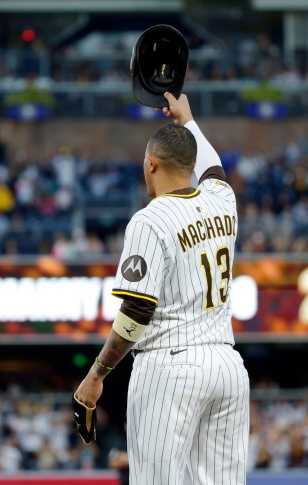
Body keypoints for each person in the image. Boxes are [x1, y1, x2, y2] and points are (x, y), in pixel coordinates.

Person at [74, 92, 250, 485]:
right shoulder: (223, 199)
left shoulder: (150, 219)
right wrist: (188, 120)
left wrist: (96, 375)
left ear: (150, 163)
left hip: (170, 366)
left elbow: (136, 312)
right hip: (226, 364)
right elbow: (214, 168)